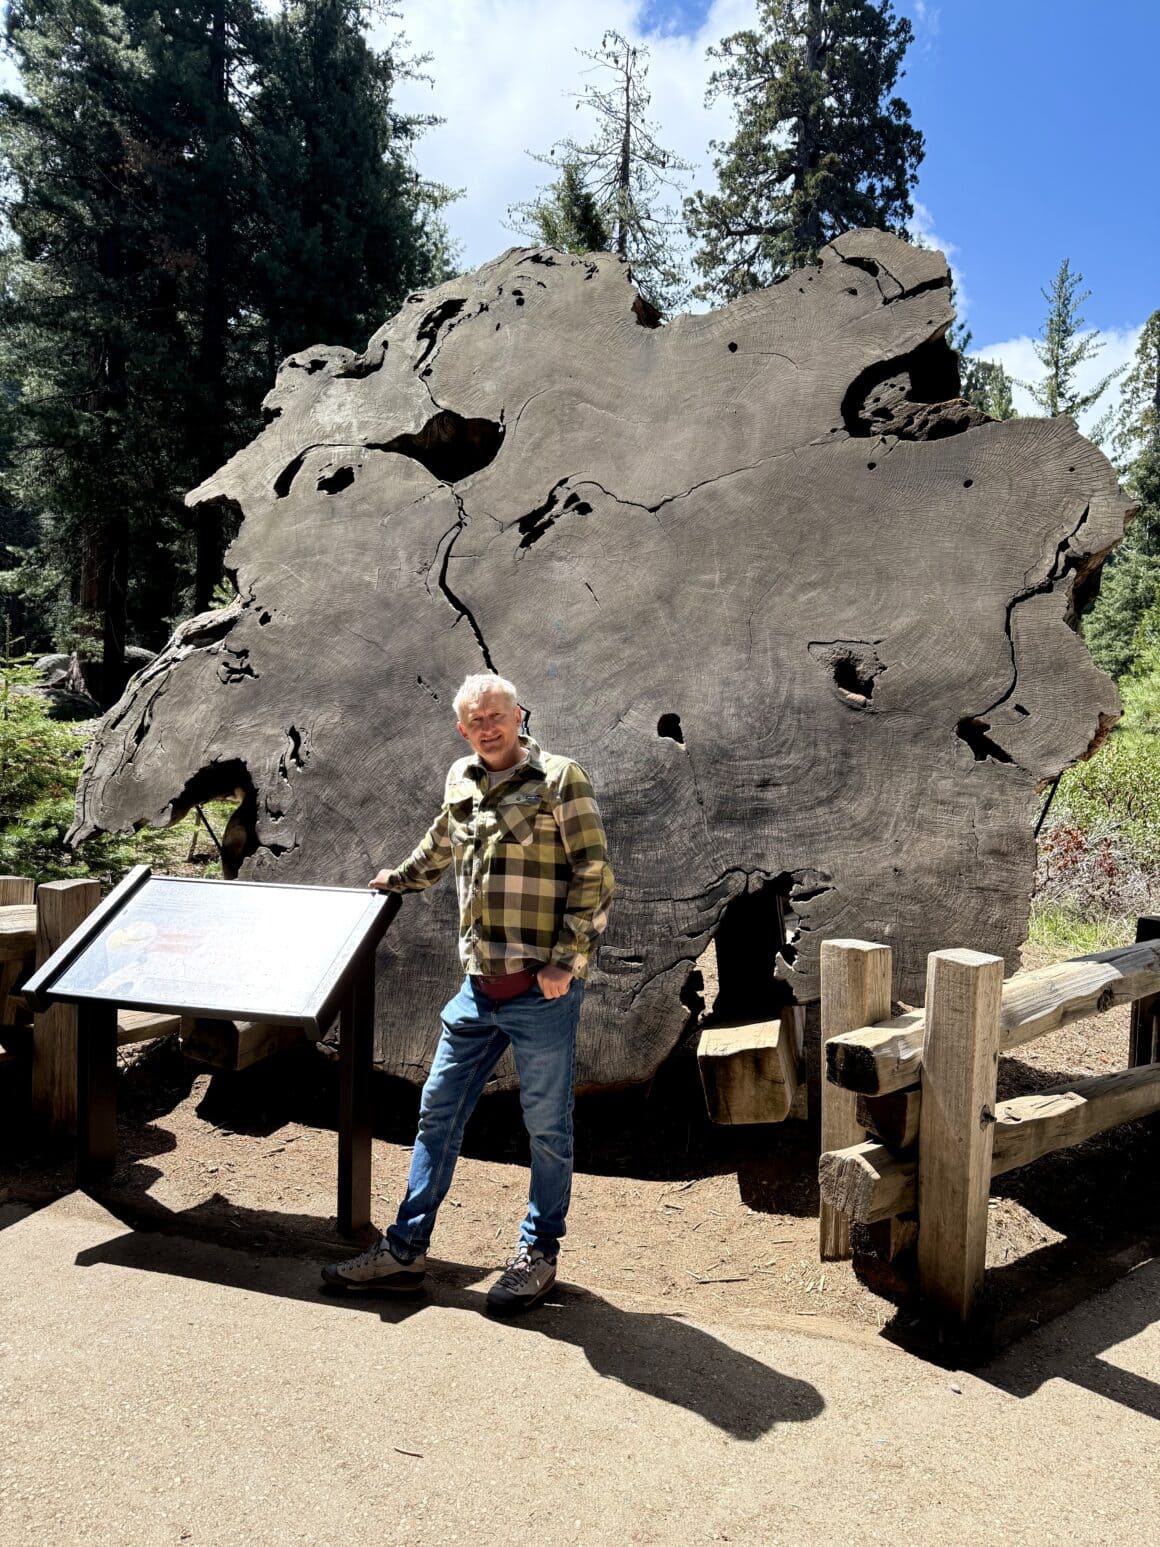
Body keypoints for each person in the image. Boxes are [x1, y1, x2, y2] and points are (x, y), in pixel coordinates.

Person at [322, 672, 614, 1314]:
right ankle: (404, 1253)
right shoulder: (461, 777)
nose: (487, 726)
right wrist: (396, 879)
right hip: (477, 990)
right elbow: (442, 842)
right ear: (463, 728)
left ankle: (538, 1255)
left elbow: (595, 871)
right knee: (437, 1113)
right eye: (475, 720)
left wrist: (566, 960)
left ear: (518, 716)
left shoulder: (560, 778)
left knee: (546, 1129)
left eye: (496, 715)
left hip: (541, 994)